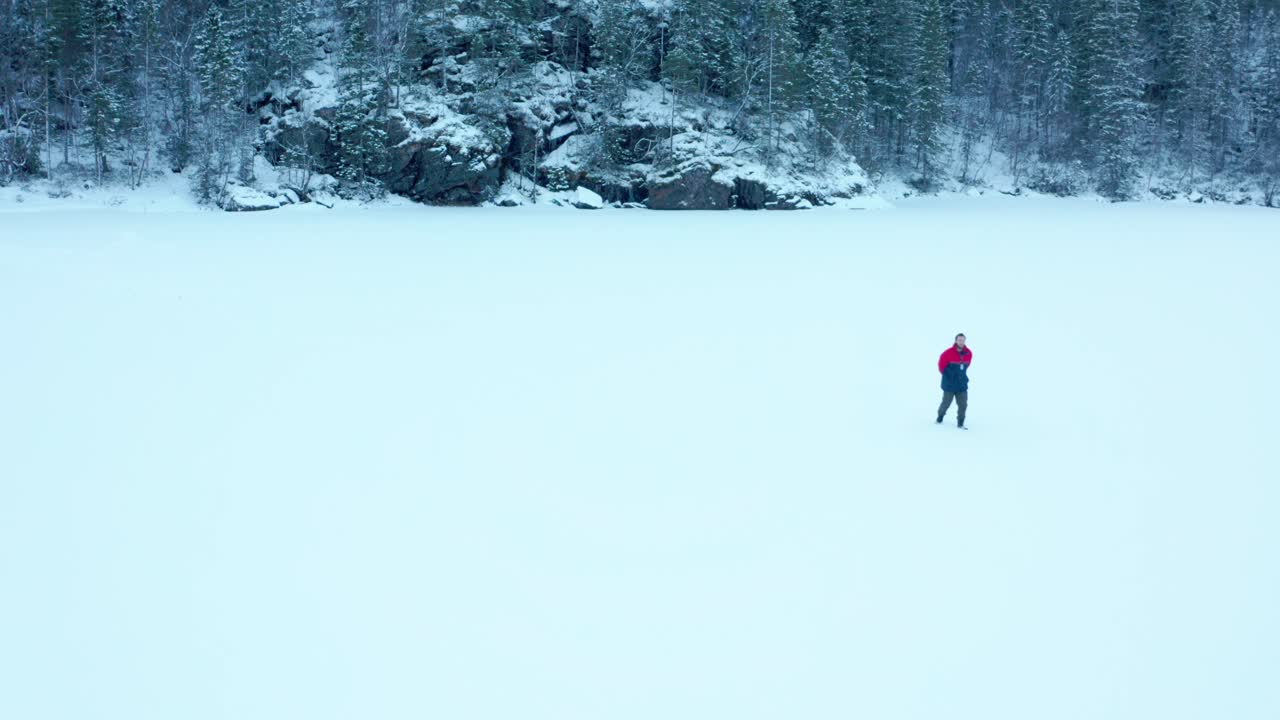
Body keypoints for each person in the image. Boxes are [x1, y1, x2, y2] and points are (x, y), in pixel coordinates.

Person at [936, 333, 972, 428]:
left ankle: (960, 422)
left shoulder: (969, 353)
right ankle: (940, 417)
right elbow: (941, 367)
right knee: (946, 403)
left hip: (962, 384)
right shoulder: (947, 353)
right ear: (956, 341)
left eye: (963, 340)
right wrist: (950, 376)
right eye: (959, 340)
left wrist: (961, 376)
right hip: (949, 384)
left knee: (963, 404)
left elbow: (966, 366)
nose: (961, 342)